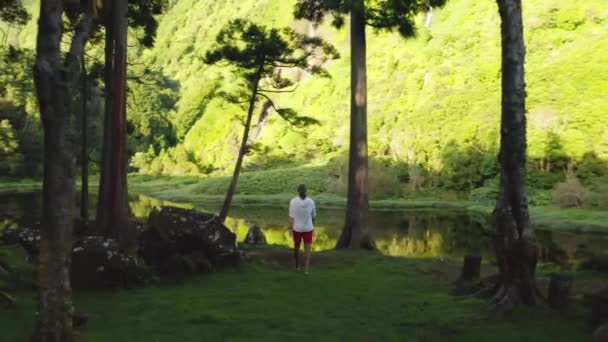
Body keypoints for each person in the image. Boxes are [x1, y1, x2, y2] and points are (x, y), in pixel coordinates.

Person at [288, 184, 316, 274]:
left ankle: (297, 266)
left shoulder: (293, 201)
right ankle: (306, 270)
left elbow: (291, 217)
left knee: (296, 247)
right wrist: (312, 225)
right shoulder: (311, 201)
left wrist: (290, 229)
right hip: (308, 228)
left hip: (297, 228)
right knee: (307, 249)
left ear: (298, 191)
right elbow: (313, 216)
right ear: (306, 191)